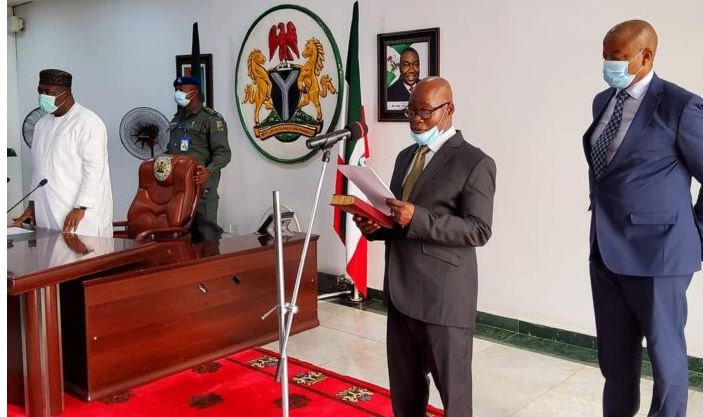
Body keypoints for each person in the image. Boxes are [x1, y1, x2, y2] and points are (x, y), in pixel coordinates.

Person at [354, 77, 496, 417]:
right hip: (402, 294)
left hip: (444, 300)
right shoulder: (406, 157)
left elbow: (478, 230)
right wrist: (375, 227)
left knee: (455, 400)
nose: (416, 120)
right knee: (405, 395)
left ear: (449, 110)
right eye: (411, 111)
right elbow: (397, 220)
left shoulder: (475, 162)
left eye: (425, 113)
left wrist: (418, 217)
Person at [584, 20, 703, 417]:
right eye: (604, 55)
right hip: (606, 251)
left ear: (645, 56)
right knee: (615, 362)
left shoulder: (680, 106)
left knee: (667, 364)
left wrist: (694, 234)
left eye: (615, 57)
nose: (607, 64)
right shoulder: (603, 101)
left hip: (661, 257)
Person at [13, 69, 113, 237]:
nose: (43, 96)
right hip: (47, 210)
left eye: (49, 92)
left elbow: (95, 170)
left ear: (66, 94)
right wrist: (32, 205)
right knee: (52, 261)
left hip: (80, 215)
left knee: (84, 260)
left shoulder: (88, 122)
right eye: (40, 91)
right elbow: (39, 169)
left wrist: (80, 207)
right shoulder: (41, 125)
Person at [166, 76, 231, 241]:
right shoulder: (176, 120)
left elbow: (223, 153)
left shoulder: (211, 119)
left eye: (181, 90)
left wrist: (208, 171)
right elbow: (172, 151)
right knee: (181, 239)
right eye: (176, 90)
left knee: (206, 239)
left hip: (201, 191)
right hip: (178, 190)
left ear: (193, 93)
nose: (177, 93)